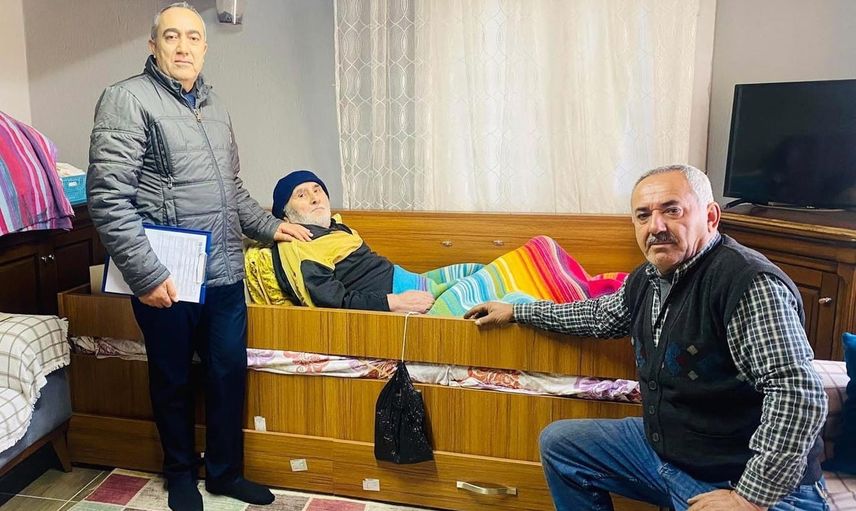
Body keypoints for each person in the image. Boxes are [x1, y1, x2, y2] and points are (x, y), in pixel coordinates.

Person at [465, 165, 830, 511]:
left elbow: (797, 393)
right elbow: (598, 316)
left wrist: (750, 497)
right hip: (670, 454)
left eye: (672, 210)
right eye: (643, 215)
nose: (656, 226)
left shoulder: (747, 282)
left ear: (710, 217)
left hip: (739, 481)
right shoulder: (648, 278)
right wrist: (519, 311)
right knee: (561, 444)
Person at [86, 4, 310, 510]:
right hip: (168, 277)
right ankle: (181, 474)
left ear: (205, 48)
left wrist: (271, 227)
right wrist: (146, 274)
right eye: (171, 36)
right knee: (172, 377)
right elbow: (107, 198)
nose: (183, 46)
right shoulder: (126, 99)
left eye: (192, 37)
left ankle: (226, 473)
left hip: (224, 271)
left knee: (228, 375)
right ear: (153, 46)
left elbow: (231, 188)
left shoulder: (215, 105)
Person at [262, 170, 438, 313]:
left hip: (405, 280)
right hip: (398, 299)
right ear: (285, 218)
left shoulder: (334, 227)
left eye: (317, 190)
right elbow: (334, 304)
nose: (315, 198)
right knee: (457, 294)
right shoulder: (301, 247)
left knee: (458, 273)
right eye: (301, 195)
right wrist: (394, 302)